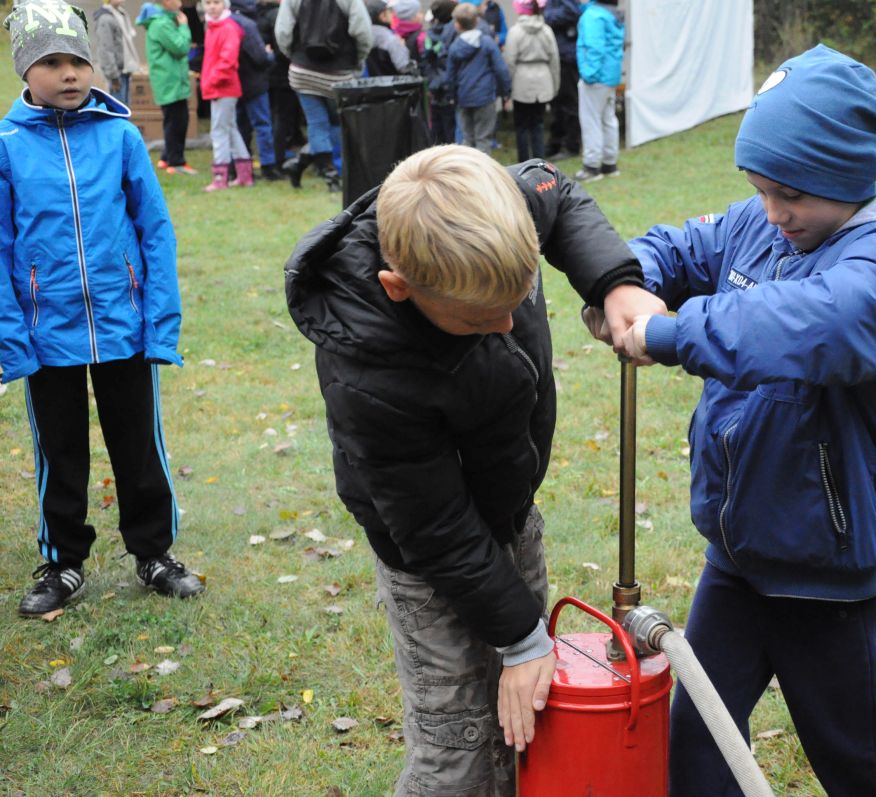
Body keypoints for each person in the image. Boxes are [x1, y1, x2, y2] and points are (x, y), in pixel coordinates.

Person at [614, 45, 876, 797]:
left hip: (830, 573)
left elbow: (817, 323)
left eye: (792, 195)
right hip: (738, 557)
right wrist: (625, 283)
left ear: (847, 177)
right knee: (699, 742)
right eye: (761, 190)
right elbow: (679, 246)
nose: (775, 213)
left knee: (852, 758)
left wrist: (673, 332)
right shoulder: (761, 224)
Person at [284, 144, 666, 796]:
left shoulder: (494, 209)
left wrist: (614, 281)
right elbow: (436, 529)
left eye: (518, 298)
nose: (508, 323)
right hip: (430, 562)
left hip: (508, 512)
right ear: (398, 287)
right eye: (481, 319)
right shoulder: (370, 377)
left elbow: (556, 191)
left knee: (523, 716)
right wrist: (520, 637)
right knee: (459, 743)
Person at [0, 0, 205, 618]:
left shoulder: (120, 137)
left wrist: (158, 325)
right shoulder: (7, 147)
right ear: (24, 70)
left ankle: (154, 552)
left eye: (78, 61)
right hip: (46, 333)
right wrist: (13, 338)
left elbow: (155, 232)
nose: (69, 73)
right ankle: (62, 561)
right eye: (51, 62)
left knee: (139, 446)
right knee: (59, 453)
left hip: (124, 325)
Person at [274, 0, 372, 191]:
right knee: (338, 124)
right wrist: (358, 60)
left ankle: (316, 170)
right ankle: (332, 172)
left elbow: (282, 32)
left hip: (303, 72)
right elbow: (363, 32)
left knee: (317, 124)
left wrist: (295, 56)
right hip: (340, 72)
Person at [136, 0, 197, 175]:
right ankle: (176, 162)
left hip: (172, 81)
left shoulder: (164, 21)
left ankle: (166, 158)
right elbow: (181, 47)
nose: (180, 2)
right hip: (170, 82)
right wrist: (184, 26)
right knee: (177, 121)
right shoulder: (161, 24)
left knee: (174, 120)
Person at [201, 0, 253, 190]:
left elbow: (228, 60)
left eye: (216, 2)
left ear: (225, 5)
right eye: (208, 2)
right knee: (230, 129)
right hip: (219, 86)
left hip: (223, 87)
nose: (212, 6)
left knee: (219, 131)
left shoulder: (228, 28)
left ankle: (220, 178)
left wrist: (211, 80)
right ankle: (244, 176)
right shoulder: (212, 27)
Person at [446, 2, 509, 155]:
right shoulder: (487, 42)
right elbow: (501, 69)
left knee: (467, 139)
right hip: (485, 97)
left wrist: (452, 96)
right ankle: (482, 169)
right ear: (478, 20)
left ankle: (467, 168)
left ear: (457, 25)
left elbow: (451, 76)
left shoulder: (454, 47)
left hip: (463, 97)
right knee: (483, 139)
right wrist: (506, 91)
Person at [230, 0, 280, 180]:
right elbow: (260, 58)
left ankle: (240, 166)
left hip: (234, 84)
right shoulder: (248, 24)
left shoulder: (225, 21)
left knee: (239, 127)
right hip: (254, 83)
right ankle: (268, 166)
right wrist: (270, 55)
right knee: (262, 125)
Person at [573, 0, 621, 182]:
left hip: (596, 78)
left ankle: (591, 167)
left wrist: (588, 74)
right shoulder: (612, 13)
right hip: (610, 76)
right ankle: (610, 163)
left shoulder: (593, 16)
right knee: (608, 119)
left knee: (591, 121)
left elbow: (594, 48)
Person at [255, 0, 305, 172]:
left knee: (273, 116)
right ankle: (279, 158)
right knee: (282, 118)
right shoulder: (278, 15)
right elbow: (283, 47)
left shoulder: (259, 14)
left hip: (267, 73)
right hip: (281, 74)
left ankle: (275, 155)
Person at [504, 0, 557, 162]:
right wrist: (555, 85)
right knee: (538, 124)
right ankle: (540, 161)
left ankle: (524, 162)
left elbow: (510, 61)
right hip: (543, 81)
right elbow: (555, 61)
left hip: (521, 82)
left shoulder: (515, 32)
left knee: (521, 126)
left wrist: (507, 88)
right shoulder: (547, 30)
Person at [542, 0, 579, 160]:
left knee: (569, 102)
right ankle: (555, 142)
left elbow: (573, 12)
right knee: (556, 103)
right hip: (556, 55)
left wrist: (547, 15)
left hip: (566, 57)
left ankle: (571, 145)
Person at [421, 0, 458, 145]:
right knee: (451, 128)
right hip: (449, 86)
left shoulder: (429, 34)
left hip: (434, 86)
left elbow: (426, 60)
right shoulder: (454, 33)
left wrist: (431, 81)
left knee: (436, 127)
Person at [92, 0, 142, 105]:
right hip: (116, 74)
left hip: (124, 71)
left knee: (125, 108)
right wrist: (113, 77)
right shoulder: (105, 18)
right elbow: (105, 49)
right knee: (118, 109)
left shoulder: (121, 14)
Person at [363, 0, 409, 77]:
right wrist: (402, 47)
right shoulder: (391, 39)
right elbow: (404, 67)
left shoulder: (361, 37)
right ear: (382, 16)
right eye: (389, 11)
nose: (393, 14)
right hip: (393, 83)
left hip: (369, 83)